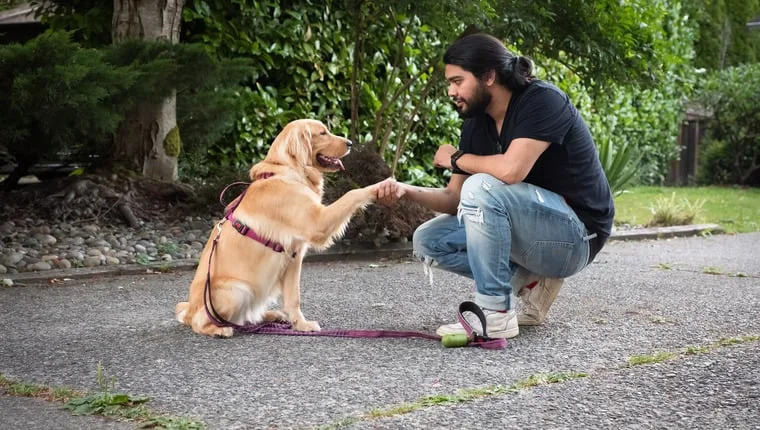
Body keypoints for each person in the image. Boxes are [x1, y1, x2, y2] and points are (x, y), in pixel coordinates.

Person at [376, 33, 615, 339]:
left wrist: (457, 158)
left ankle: (495, 313)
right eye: (449, 82)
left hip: (577, 235)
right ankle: (531, 281)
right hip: (534, 233)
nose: (451, 91)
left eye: (458, 81)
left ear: (488, 75)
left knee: (482, 186)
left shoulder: (543, 101)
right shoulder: (477, 123)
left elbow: (512, 170)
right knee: (429, 240)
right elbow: (454, 198)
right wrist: (405, 190)